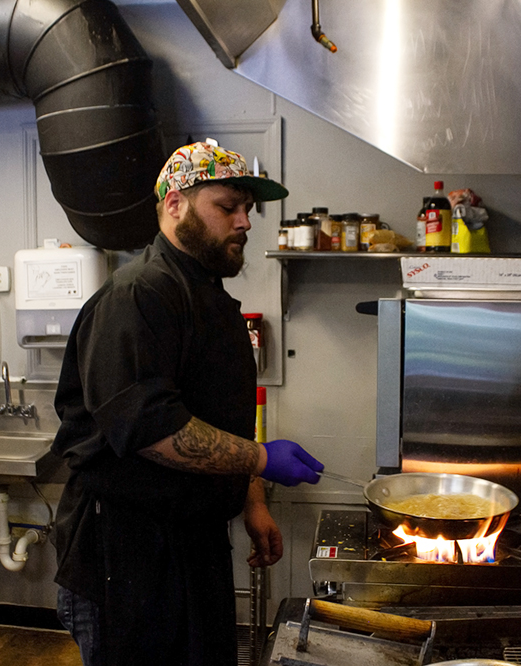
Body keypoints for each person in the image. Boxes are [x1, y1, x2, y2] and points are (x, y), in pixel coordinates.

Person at [51, 139, 325, 666]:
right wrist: (262, 460)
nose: (245, 221)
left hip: (191, 546)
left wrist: (252, 498)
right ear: (175, 205)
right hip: (126, 557)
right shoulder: (138, 296)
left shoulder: (209, 296)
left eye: (248, 209)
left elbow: (216, 417)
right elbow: (152, 430)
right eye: (228, 207)